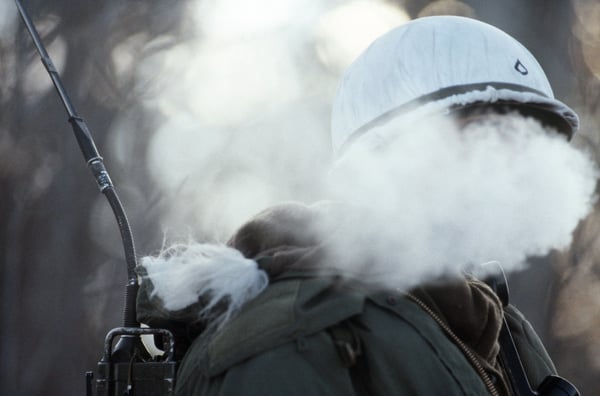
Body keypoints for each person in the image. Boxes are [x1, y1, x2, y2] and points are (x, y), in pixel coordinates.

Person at [137, 16, 592, 395]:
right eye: (483, 136)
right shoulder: (294, 337)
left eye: (525, 142)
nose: (509, 165)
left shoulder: (498, 328)